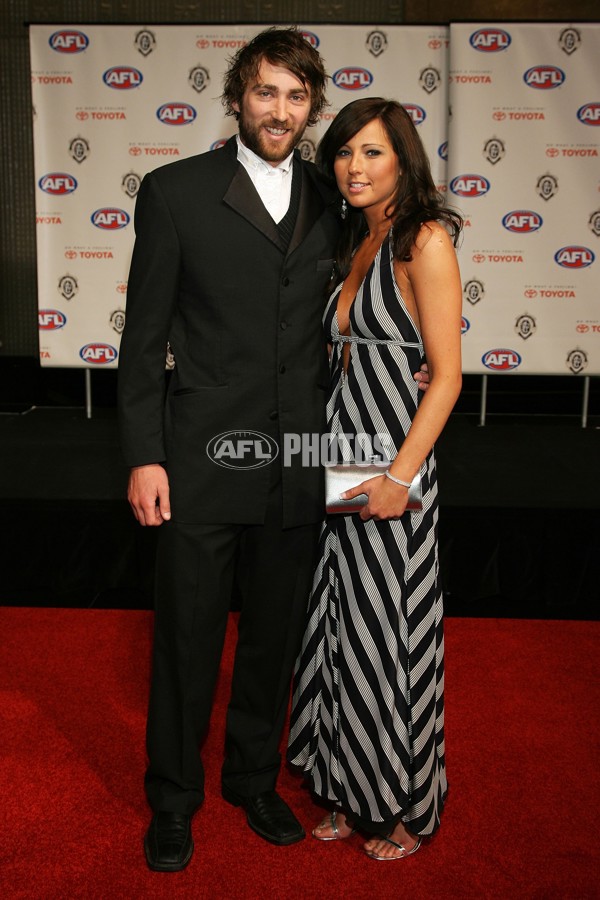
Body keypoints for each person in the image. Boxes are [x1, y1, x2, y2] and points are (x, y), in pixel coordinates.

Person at [118, 28, 429, 872]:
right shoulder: (176, 192)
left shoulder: (337, 201)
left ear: (312, 107)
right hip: (201, 459)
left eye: (296, 97)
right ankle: (173, 798)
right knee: (187, 638)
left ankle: (253, 778)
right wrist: (145, 453)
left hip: (301, 461)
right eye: (265, 93)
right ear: (237, 96)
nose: (280, 111)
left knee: (274, 636)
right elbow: (143, 340)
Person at [287, 97, 463, 861]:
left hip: (394, 461)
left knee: (388, 633)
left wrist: (401, 475)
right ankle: (346, 786)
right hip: (343, 451)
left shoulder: (424, 238)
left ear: (403, 161)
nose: (353, 168)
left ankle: (399, 806)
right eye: (344, 153)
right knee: (338, 625)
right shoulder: (361, 240)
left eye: (372, 153)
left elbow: (448, 378)